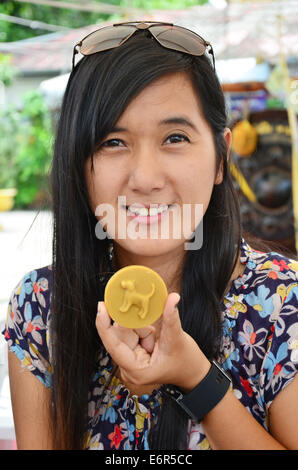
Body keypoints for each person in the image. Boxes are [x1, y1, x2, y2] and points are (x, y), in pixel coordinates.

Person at [2, 21, 298, 451]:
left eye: (174, 137)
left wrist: (196, 379)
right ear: (77, 163)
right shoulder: (41, 307)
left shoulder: (283, 304)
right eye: (112, 142)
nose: (144, 178)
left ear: (221, 158)